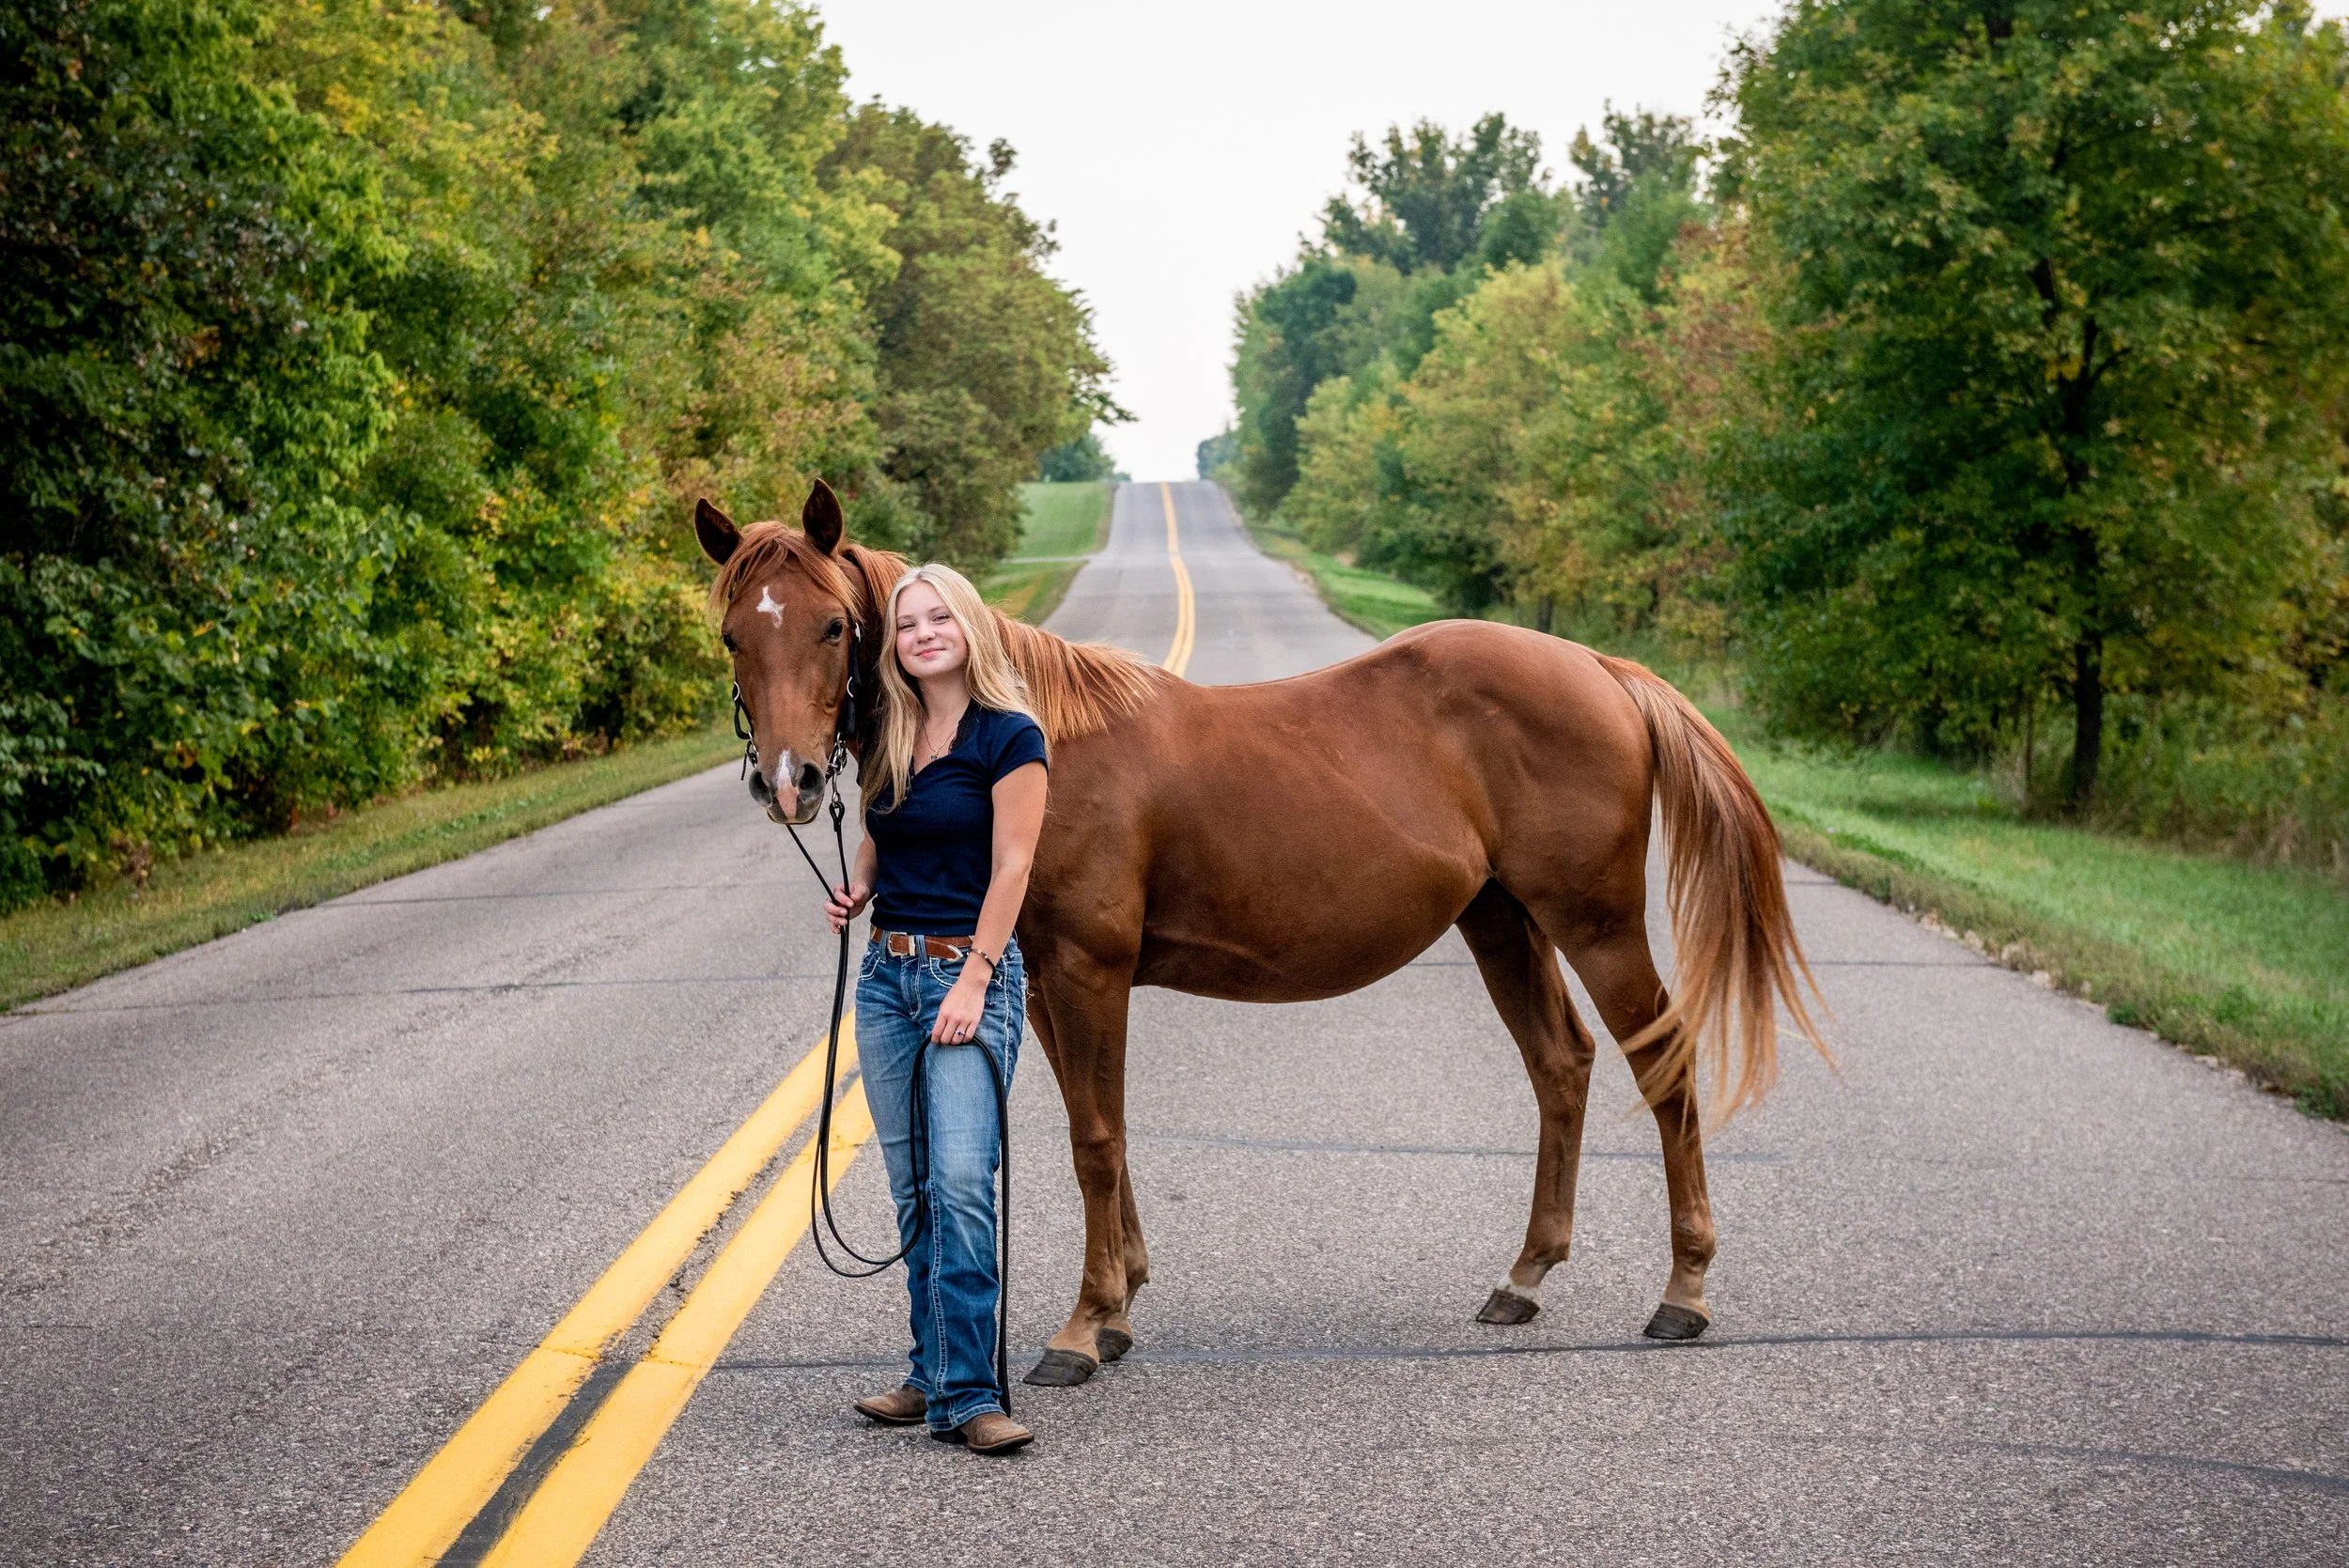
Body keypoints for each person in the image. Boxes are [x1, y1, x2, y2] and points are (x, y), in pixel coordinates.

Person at [824, 562, 1049, 1456]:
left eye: (938, 617)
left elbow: (1014, 868)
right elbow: (885, 829)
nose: (922, 633)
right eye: (908, 623)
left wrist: (974, 980)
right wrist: (859, 886)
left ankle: (972, 1392)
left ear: (970, 627)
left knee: (962, 1181)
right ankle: (930, 1372)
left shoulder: (1010, 735)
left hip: (970, 976)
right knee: (914, 1187)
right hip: (887, 979)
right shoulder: (891, 729)